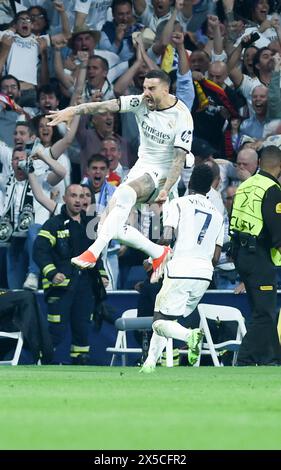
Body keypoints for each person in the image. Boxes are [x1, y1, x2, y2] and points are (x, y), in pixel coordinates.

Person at [47, 69, 194, 281]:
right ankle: (157, 253)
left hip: (163, 171)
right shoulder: (141, 102)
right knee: (107, 226)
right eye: (144, 88)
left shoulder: (181, 116)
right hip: (142, 166)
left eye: (151, 89)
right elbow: (106, 105)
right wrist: (74, 110)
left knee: (125, 194)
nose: (146, 93)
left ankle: (94, 253)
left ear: (165, 89)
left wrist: (166, 189)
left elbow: (179, 159)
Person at [140, 164, 225, 373]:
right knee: (167, 319)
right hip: (205, 275)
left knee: (159, 322)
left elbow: (167, 237)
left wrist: (152, 258)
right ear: (210, 188)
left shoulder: (178, 203)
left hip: (181, 269)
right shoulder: (218, 214)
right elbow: (216, 257)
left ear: (189, 182)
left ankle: (190, 336)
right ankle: (150, 364)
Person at [33, 184, 108, 365]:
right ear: (65, 199)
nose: (78, 200)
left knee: (82, 328)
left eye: (81, 196)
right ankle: (43, 363)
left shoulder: (90, 224)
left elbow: (95, 254)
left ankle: (80, 364)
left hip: (86, 286)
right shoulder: (54, 223)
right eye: (73, 196)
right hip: (61, 287)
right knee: (56, 330)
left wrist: (102, 275)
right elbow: (39, 251)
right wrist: (51, 273)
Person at [229, 145, 281, 366]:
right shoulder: (272, 189)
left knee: (262, 309)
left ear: (259, 163)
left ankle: (271, 358)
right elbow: (277, 230)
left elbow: (235, 220)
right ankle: (245, 358)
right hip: (259, 256)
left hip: (242, 254)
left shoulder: (246, 185)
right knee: (265, 313)